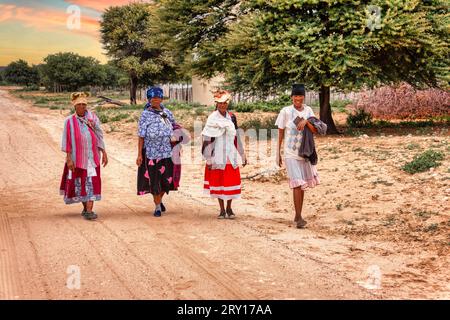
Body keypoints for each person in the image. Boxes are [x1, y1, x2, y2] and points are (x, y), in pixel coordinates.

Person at [275, 84, 320, 228]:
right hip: (290, 153)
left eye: (300, 96)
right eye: (295, 96)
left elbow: (315, 130)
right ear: (292, 97)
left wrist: (306, 122)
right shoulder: (286, 111)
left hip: (304, 152)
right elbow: (281, 132)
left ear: (303, 97)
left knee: (302, 185)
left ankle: (297, 214)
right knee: (297, 183)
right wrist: (278, 153)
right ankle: (299, 217)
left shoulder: (308, 110)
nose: (298, 99)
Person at [60, 92, 108, 220]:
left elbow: (99, 135)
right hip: (77, 159)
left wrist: (104, 152)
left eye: (84, 104)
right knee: (81, 182)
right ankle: (86, 207)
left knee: (92, 181)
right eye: (79, 104)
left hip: (92, 158)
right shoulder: (69, 121)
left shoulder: (93, 118)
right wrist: (69, 158)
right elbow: (67, 141)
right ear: (74, 106)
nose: (82, 106)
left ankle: (89, 210)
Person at [202, 90, 247, 219]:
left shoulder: (232, 117)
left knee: (230, 180)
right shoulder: (212, 118)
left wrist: (242, 154)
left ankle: (229, 207)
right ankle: (222, 209)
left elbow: (236, 137)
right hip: (217, 152)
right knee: (219, 181)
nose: (222, 105)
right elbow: (207, 138)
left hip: (230, 153)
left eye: (225, 103)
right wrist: (208, 158)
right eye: (220, 103)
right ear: (216, 104)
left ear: (227, 103)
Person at [136, 87, 180, 217]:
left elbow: (175, 127)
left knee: (166, 180)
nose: (156, 100)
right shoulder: (145, 114)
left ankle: (159, 200)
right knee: (154, 181)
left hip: (167, 153)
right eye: (153, 98)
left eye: (158, 97)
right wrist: (139, 154)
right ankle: (157, 207)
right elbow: (141, 135)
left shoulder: (167, 113)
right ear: (149, 99)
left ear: (161, 98)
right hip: (151, 153)